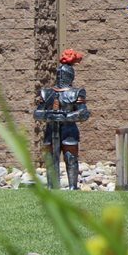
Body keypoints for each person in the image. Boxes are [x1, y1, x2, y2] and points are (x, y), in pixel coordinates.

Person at [33, 49, 90, 190]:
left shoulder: (76, 93)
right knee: (50, 160)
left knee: (71, 159)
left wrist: (66, 116)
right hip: (51, 132)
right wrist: (50, 115)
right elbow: (37, 113)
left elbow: (83, 113)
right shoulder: (46, 93)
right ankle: (52, 186)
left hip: (69, 131)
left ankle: (72, 187)